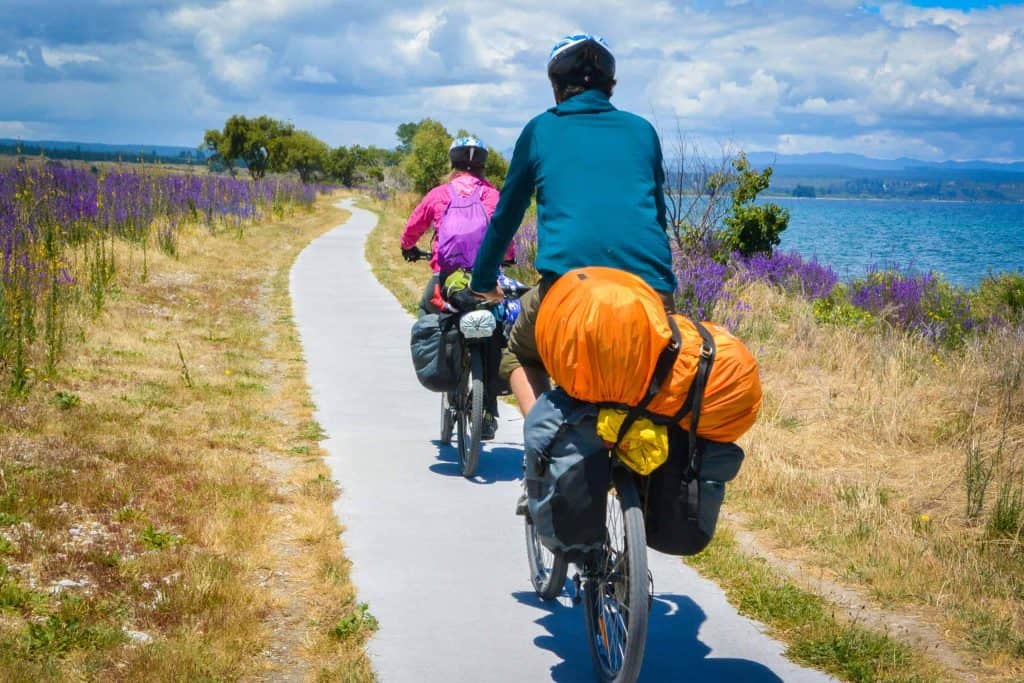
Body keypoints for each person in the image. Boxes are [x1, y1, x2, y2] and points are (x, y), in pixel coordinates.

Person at [470, 34, 677, 420]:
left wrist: (483, 280)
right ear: (610, 87)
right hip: (652, 295)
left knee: (516, 350)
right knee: (661, 375)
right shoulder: (643, 131)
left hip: (570, 293)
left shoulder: (540, 130)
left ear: (555, 88)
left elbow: (507, 217)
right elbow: (658, 218)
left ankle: (543, 447)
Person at [401, 136, 501, 317]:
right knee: (503, 321)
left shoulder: (439, 194)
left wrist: (407, 246)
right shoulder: (493, 196)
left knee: (427, 312)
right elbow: (503, 233)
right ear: (483, 165)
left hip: (446, 276)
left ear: (453, 164)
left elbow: (414, 226)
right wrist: (508, 256)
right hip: (487, 277)